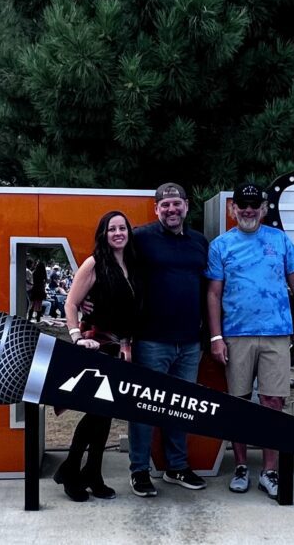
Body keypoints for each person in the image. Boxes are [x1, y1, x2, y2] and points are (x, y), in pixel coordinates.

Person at [205, 182, 294, 500]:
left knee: (273, 403)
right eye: (242, 204)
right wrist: (216, 336)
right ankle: (242, 466)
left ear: (264, 209)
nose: (248, 210)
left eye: (254, 205)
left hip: (276, 334)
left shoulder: (279, 239)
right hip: (236, 334)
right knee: (239, 403)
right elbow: (213, 293)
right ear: (232, 208)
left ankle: (269, 471)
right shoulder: (220, 245)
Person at [128, 182, 209, 497]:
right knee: (145, 409)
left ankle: (176, 467)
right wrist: (85, 300)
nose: (172, 210)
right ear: (156, 209)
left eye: (177, 204)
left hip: (190, 341)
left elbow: (211, 289)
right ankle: (139, 471)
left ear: (187, 206)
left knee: (180, 409)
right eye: (165, 206)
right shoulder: (140, 238)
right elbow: (107, 264)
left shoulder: (201, 242)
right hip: (151, 340)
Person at [54, 211, 140, 502]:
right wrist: (77, 337)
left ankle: (91, 472)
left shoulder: (131, 264)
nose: (118, 233)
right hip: (95, 346)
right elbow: (70, 303)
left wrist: (126, 345)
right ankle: (72, 470)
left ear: (128, 232)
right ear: (103, 234)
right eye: (111, 229)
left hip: (117, 351)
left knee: (104, 417)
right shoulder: (94, 263)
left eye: (122, 228)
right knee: (95, 414)